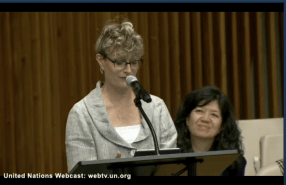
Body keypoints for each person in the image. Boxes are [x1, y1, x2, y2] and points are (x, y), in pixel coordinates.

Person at [65, 18, 177, 173]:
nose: (128, 70)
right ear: (101, 61)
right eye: (120, 62)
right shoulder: (82, 114)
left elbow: (173, 169)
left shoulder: (156, 108)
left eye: (134, 62)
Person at [174, 86, 246, 176]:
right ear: (187, 119)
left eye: (214, 115)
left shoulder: (234, 162)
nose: (205, 119)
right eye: (199, 111)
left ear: (222, 126)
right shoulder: (170, 159)